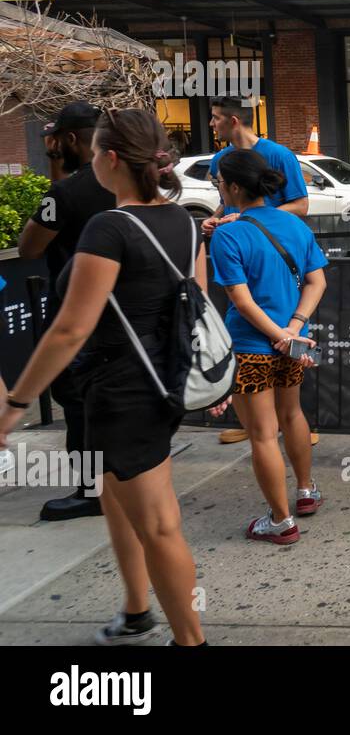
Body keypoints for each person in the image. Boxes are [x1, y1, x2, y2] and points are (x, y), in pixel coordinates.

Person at [0, 109, 208, 645]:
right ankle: (137, 610)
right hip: (159, 381)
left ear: (111, 158)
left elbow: (70, 329)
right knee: (115, 498)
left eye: (95, 151)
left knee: (159, 524)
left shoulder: (109, 227)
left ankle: (191, 640)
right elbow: (194, 305)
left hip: (123, 390)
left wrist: (16, 402)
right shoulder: (183, 220)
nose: (91, 159)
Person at [210, 148, 328, 545]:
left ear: (235, 186)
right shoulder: (295, 225)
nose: (219, 190)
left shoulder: (228, 233)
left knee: (262, 433)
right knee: (292, 415)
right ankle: (306, 491)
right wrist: (292, 328)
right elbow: (317, 282)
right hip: (293, 344)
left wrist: (277, 334)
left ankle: (280, 521)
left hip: (250, 346)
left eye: (220, 183)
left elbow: (241, 301)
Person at [18, 101, 116, 521]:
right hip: (131, 311)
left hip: (80, 311)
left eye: (57, 141)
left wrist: (56, 166)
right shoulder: (132, 182)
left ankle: (92, 491)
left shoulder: (66, 192)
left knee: (78, 404)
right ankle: (123, 479)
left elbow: (29, 247)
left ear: (71, 139)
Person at [203, 95, 311, 446]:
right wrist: (218, 219)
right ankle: (259, 423)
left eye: (216, 117)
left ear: (234, 121)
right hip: (244, 252)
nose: (211, 124)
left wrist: (254, 221)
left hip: (273, 259)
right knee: (260, 344)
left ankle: (280, 427)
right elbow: (228, 201)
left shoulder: (280, 154)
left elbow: (302, 205)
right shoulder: (221, 160)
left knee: (286, 398)